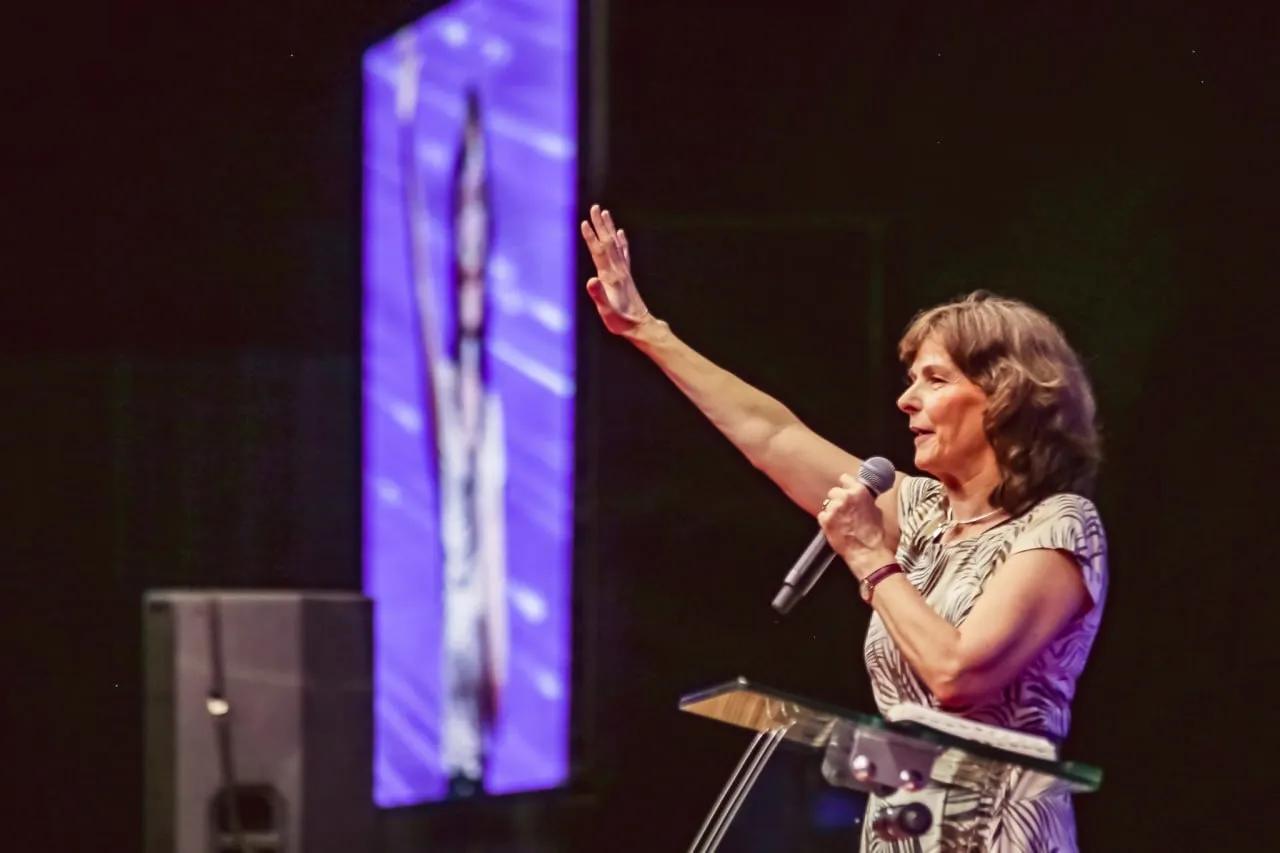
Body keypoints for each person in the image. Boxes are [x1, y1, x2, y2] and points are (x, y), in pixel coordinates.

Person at [580, 205, 1107, 851]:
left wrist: (869, 556)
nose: (906, 400)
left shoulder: (1059, 526)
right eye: (911, 380)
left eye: (935, 380)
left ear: (1005, 398)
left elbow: (957, 674)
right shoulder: (921, 511)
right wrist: (646, 329)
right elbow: (771, 434)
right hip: (901, 828)